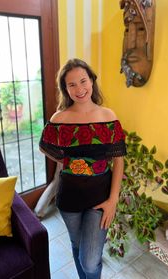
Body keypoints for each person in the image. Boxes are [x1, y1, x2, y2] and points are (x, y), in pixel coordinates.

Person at [39, 58, 126, 279]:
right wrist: (64, 159)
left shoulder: (109, 117)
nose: (79, 89)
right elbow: (45, 147)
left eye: (83, 81)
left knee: (89, 261)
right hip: (69, 198)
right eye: (72, 84)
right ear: (65, 89)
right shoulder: (59, 119)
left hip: (101, 197)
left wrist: (113, 199)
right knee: (77, 247)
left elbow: (119, 160)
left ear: (92, 81)